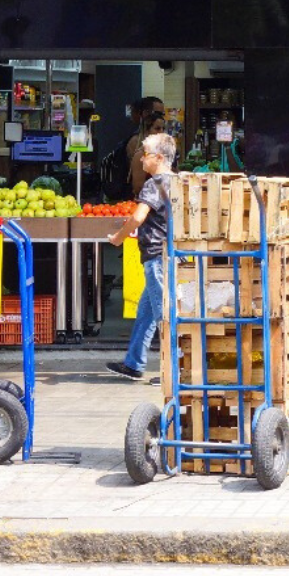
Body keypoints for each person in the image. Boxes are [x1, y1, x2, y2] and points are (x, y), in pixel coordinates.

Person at [105, 132, 177, 381]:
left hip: (157, 257)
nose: (140, 160)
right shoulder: (176, 182)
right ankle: (134, 363)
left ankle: (175, 372)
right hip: (169, 255)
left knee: (164, 316)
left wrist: (118, 238)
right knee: (146, 314)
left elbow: (137, 217)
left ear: (158, 157)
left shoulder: (155, 184)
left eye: (144, 154)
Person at [128, 103, 166, 195]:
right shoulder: (141, 155)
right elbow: (138, 188)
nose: (161, 132)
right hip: (147, 204)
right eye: (157, 129)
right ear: (147, 131)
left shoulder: (163, 153)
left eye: (163, 129)